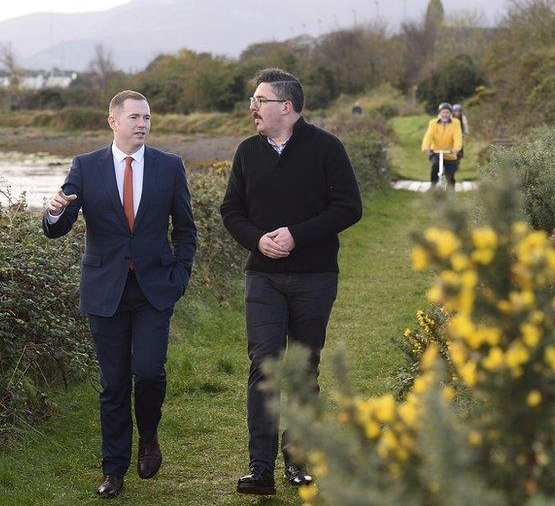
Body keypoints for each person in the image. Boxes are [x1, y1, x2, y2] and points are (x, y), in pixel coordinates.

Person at [42, 90, 197, 499]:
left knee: (148, 371)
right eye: (134, 117)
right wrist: (54, 211)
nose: (142, 124)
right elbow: (58, 227)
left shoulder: (169, 166)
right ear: (113, 121)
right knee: (113, 383)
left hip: (154, 290)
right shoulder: (85, 166)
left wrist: (179, 276)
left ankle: (149, 436)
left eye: (147, 117)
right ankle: (113, 470)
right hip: (104, 290)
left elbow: (185, 230)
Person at [220, 68, 363, 496]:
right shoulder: (246, 152)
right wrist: (258, 240)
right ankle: (259, 468)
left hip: (315, 277)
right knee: (264, 365)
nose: (252, 108)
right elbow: (231, 211)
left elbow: (348, 207)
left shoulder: (327, 148)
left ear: (286, 106)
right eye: (253, 100)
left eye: (259, 100)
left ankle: (298, 464)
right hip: (262, 277)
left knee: (302, 369)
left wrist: (296, 234)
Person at [421, 102, 463, 188]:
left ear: (451, 114)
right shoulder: (433, 123)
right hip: (435, 152)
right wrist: (426, 147)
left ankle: (451, 192)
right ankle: (433, 186)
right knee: (436, 166)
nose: (445, 114)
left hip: (450, 153)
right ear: (439, 113)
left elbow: (457, 136)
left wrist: (456, 147)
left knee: (450, 175)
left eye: (447, 112)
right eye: (443, 112)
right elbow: (428, 135)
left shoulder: (456, 123)